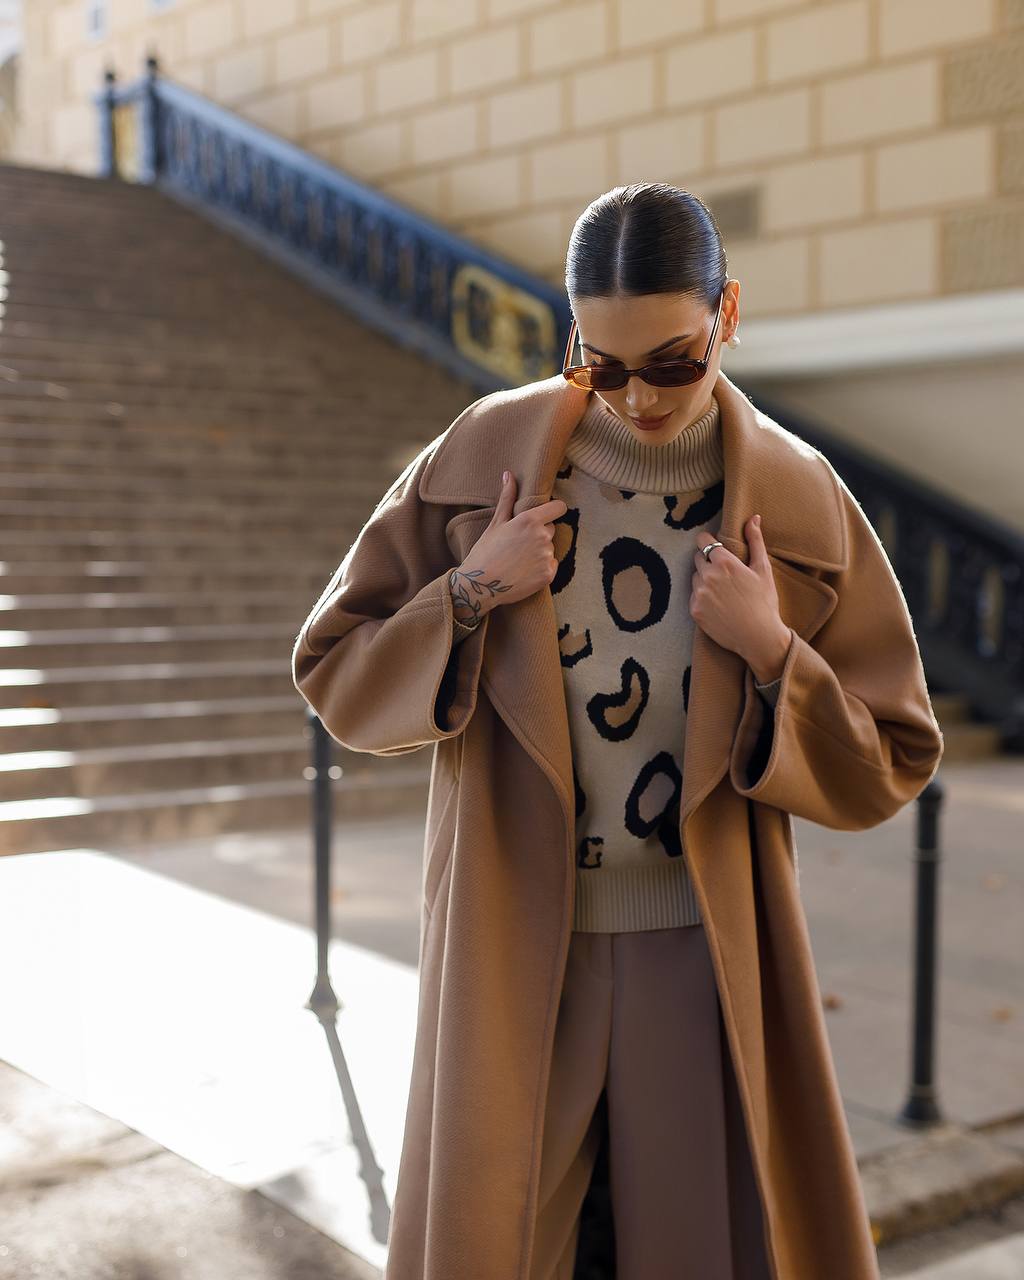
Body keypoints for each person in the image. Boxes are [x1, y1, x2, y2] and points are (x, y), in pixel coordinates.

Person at [292, 181, 942, 1280]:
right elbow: (333, 668)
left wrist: (776, 650)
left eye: (674, 360)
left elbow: (891, 752)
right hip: (511, 935)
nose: (638, 396)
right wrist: (466, 588)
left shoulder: (797, 501)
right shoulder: (482, 463)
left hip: (703, 942)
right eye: (602, 363)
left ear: (727, 313)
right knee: (501, 1247)